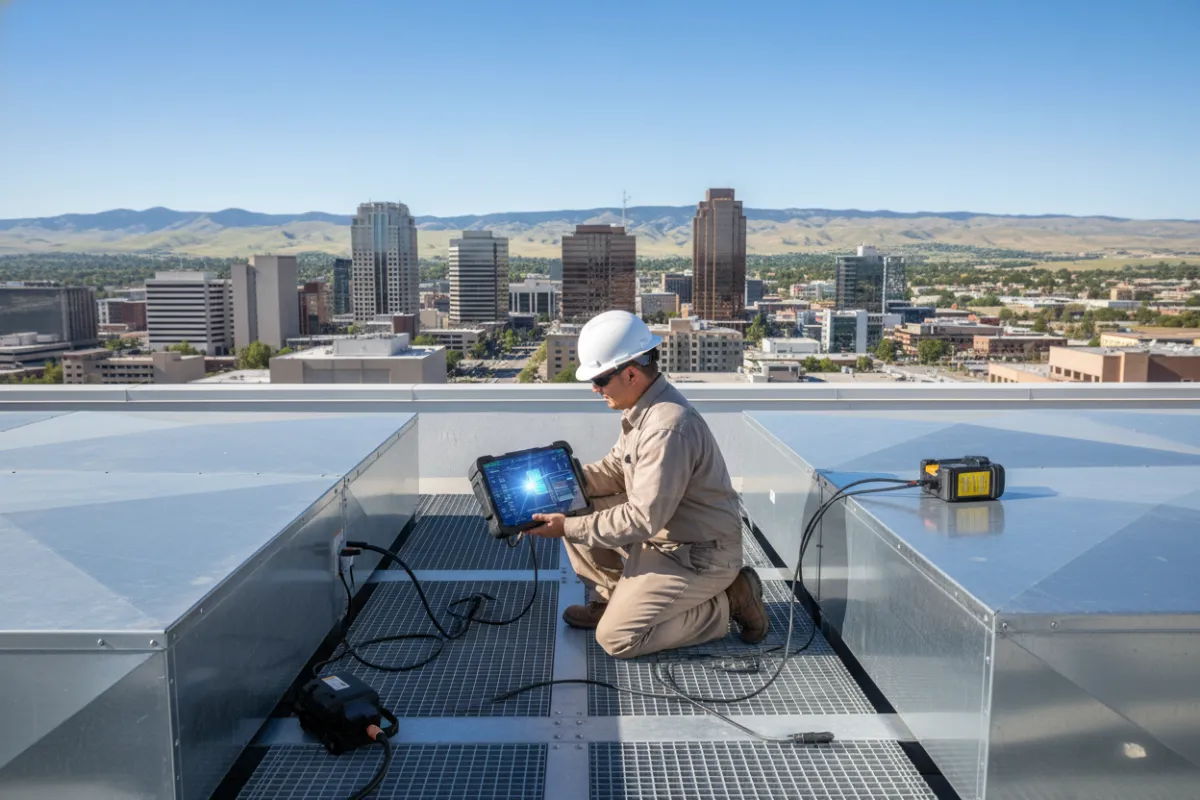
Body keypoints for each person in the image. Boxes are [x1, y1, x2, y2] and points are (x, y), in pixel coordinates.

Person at [527, 310, 768, 659]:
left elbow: (642, 519)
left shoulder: (666, 429)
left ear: (630, 372)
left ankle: (730, 601)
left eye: (600, 380)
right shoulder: (643, 408)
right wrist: (562, 482)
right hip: (667, 538)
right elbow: (614, 470)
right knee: (575, 501)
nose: (595, 389)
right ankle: (611, 599)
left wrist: (568, 527)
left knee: (617, 639)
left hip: (697, 556)